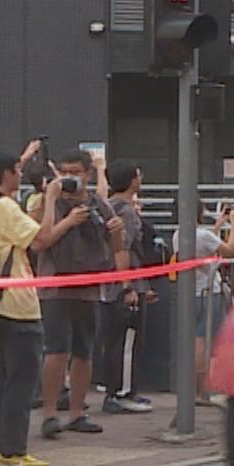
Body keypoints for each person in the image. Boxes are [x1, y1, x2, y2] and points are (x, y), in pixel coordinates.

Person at [0, 150, 74, 466]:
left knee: (6, 380)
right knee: (20, 381)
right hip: (18, 303)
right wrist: (50, 200)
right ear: (5, 174)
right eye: (17, 169)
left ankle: (0, 448)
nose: (21, 174)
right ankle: (13, 452)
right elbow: (41, 239)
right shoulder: (4, 206)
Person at [32, 149, 124, 439]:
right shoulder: (48, 202)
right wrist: (64, 215)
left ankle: (76, 412)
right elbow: (40, 241)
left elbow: (116, 246)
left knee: (84, 351)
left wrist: (116, 230)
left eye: (76, 172)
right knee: (56, 350)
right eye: (64, 171)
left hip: (88, 287)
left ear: (88, 174)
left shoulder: (99, 203)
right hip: (55, 286)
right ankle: (49, 413)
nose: (70, 178)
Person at [97, 162, 155, 415]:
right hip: (126, 284)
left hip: (110, 284)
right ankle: (122, 392)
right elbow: (125, 249)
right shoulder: (127, 213)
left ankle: (116, 389)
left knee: (114, 340)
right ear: (132, 180)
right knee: (128, 341)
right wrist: (128, 286)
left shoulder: (107, 207)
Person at [196, 204, 234, 407]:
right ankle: (206, 389)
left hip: (195, 293)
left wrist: (219, 224)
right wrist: (233, 224)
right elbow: (230, 250)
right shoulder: (202, 236)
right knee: (208, 343)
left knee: (199, 341)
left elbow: (207, 243)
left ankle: (199, 390)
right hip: (208, 293)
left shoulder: (183, 234)